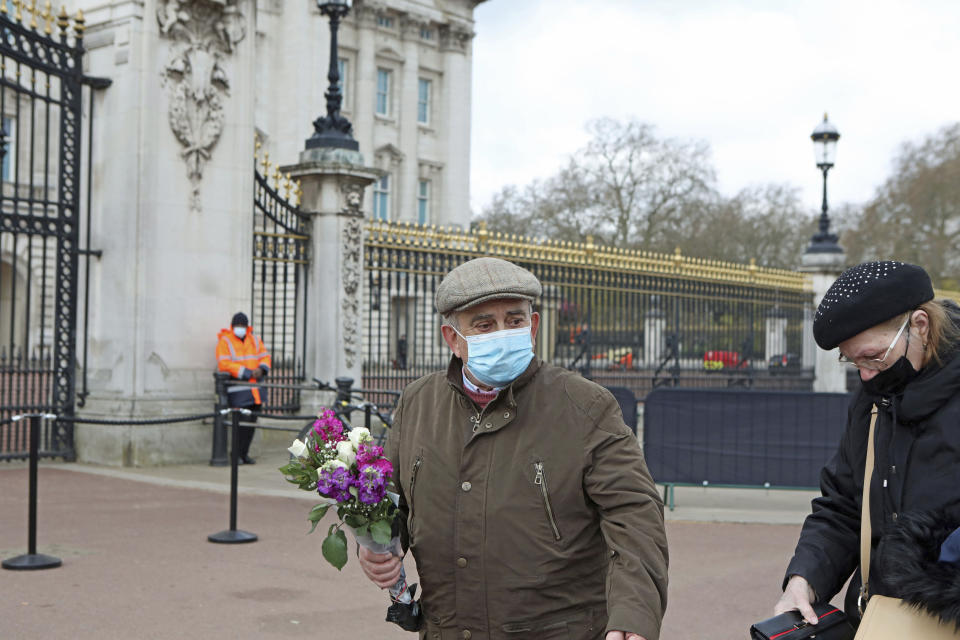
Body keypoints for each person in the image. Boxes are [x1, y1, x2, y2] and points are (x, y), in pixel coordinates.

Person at [359, 257, 669, 640]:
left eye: (515, 320)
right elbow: (393, 500)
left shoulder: (585, 405)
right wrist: (378, 545)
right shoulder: (417, 403)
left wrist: (633, 617)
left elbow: (635, 514)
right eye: (485, 325)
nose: (502, 333)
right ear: (453, 339)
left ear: (533, 326)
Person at [774, 261, 960, 629]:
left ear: (920, 325)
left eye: (873, 356)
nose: (865, 374)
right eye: (852, 360)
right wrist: (805, 577)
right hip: (879, 620)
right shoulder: (872, 400)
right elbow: (843, 505)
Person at [216, 312, 271, 464]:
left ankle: (244, 453)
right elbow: (224, 364)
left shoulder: (254, 339)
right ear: (232, 326)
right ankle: (236, 455)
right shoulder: (225, 341)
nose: (240, 328)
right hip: (238, 390)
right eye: (237, 325)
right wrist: (246, 372)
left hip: (255, 391)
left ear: (247, 327)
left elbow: (265, 356)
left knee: (251, 424)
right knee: (240, 425)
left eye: (242, 325)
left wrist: (262, 369)